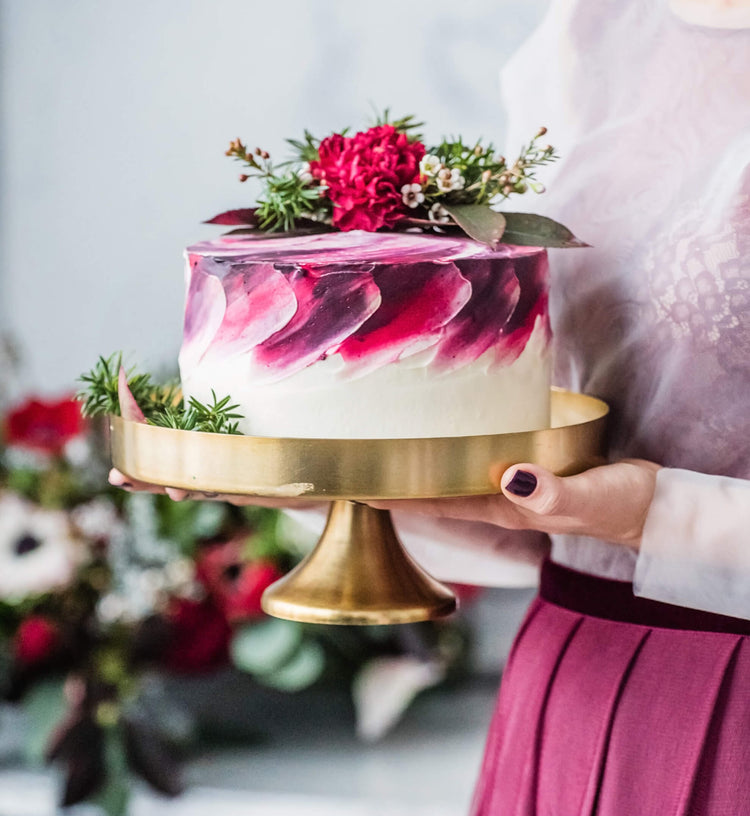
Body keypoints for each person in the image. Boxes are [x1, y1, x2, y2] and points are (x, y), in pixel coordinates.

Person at [110, 0, 750, 811]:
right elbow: (527, 448)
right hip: (572, 671)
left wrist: (652, 518)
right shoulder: (587, 26)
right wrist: (301, 468)